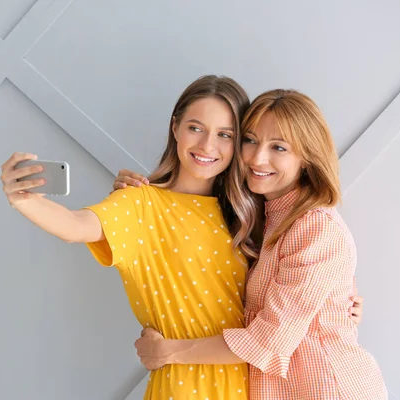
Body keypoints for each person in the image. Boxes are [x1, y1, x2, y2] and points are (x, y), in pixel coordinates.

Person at [1, 75, 254, 399]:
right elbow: (76, 226)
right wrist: (24, 199)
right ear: (175, 127)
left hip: (251, 385)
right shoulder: (140, 202)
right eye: (195, 128)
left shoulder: (244, 215)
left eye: (224, 135)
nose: (207, 145)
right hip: (184, 388)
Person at [131, 89, 386, 399]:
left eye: (278, 147)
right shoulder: (263, 218)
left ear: (307, 158)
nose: (256, 157)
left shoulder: (315, 228)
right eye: (250, 140)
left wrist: (168, 352)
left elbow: (269, 340)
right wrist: (135, 194)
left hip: (326, 389)